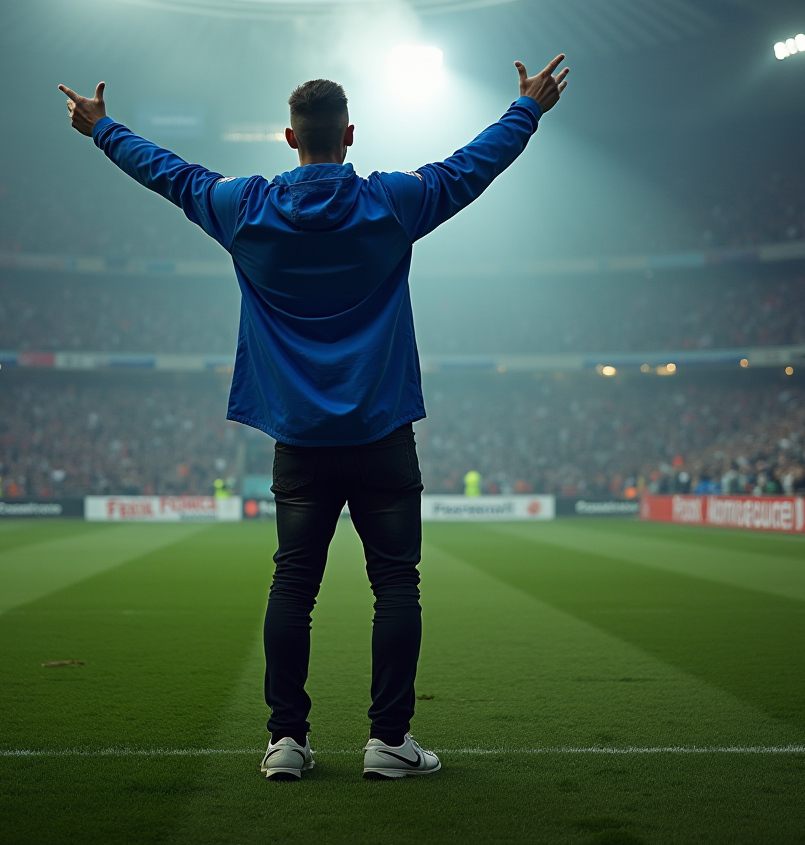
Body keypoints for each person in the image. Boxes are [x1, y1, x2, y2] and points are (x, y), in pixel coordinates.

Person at [58, 53, 568, 781]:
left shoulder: (245, 207)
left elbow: (167, 172)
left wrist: (101, 127)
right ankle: (390, 742)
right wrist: (528, 109)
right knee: (395, 584)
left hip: (298, 440)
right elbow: (471, 166)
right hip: (383, 433)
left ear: (290, 138)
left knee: (292, 586)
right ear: (349, 135)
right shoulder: (393, 202)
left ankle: (286, 742)